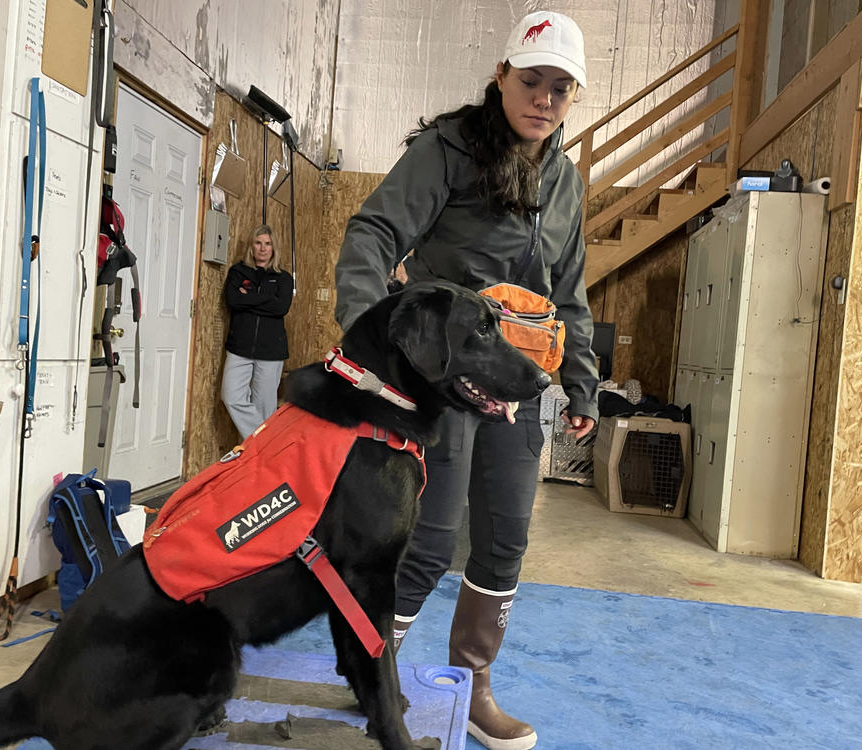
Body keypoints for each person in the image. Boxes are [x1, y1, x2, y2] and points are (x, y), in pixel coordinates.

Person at [334, 11, 597, 750]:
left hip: (521, 386)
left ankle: (474, 685)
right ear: (502, 78)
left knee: (504, 541)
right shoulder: (447, 149)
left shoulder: (566, 183)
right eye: (532, 81)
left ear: (573, 97)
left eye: (560, 88)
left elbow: (568, 293)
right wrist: (369, 333)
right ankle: (368, 674)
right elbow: (375, 233)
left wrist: (581, 382)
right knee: (427, 540)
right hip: (444, 380)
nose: (544, 99)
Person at [221, 225, 294, 440]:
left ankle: (258, 458)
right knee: (231, 397)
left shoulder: (283, 278)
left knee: (264, 406)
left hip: (270, 351)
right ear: (252, 246)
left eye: (268, 244)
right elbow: (233, 301)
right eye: (258, 243)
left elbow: (281, 308)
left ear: (274, 248)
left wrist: (248, 297)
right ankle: (266, 442)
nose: (263, 248)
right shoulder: (238, 272)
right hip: (239, 348)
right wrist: (267, 299)